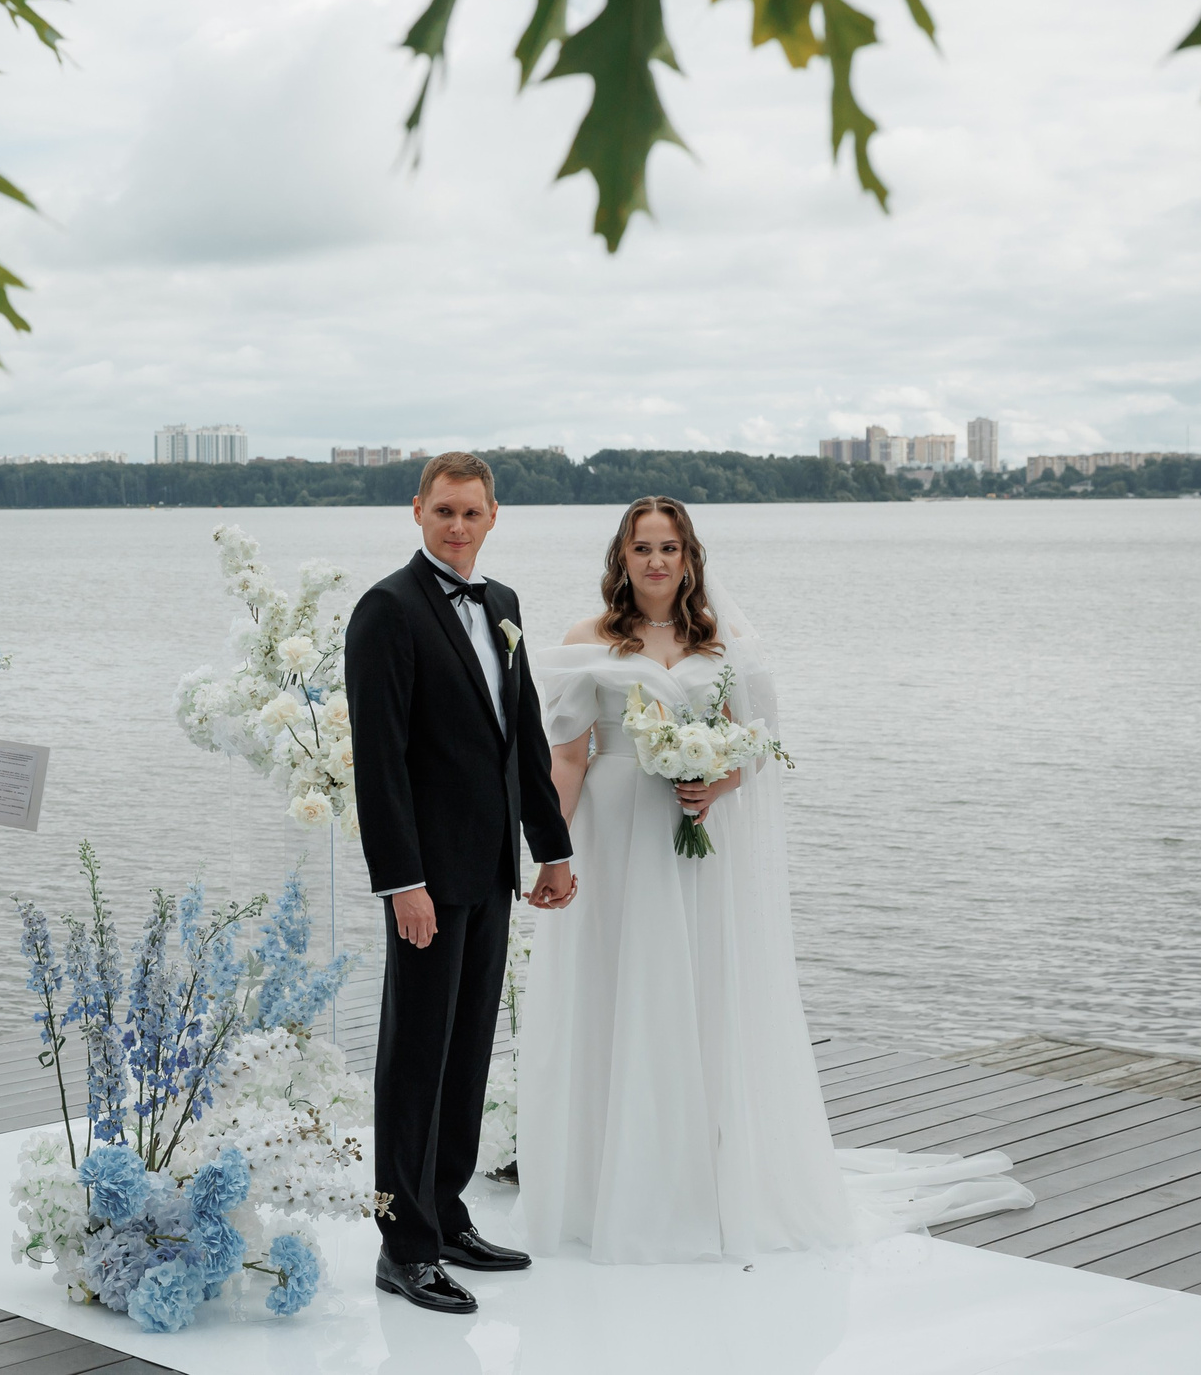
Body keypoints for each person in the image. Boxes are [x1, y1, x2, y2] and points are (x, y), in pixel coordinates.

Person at [517, 496, 1031, 1262]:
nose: (656, 561)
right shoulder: (584, 639)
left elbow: (758, 746)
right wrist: (551, 849)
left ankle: (702, 1182)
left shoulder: (725, 643)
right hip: (613, 832)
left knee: (697, 995)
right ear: (620, 559)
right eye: (642, 548)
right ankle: (609, 1183)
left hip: (692, 840)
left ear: (689, 559)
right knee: (617, 991)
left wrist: (713, 786)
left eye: (669, 548)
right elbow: (567, 755)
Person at [345, 451, 578, 1316]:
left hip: (492, 872)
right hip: (426, 881)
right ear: (416, 512)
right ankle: (401, 1247)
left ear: (491, 517)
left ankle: (445, 1215)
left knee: (470, 1048)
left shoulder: (504, 608)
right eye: (442, 511)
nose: (456, 526)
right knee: (414, 1060)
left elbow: (521, 739)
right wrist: (400, 880)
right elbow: (381, 763)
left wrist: (550, 851)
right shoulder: (386, 611)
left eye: (471, 513)